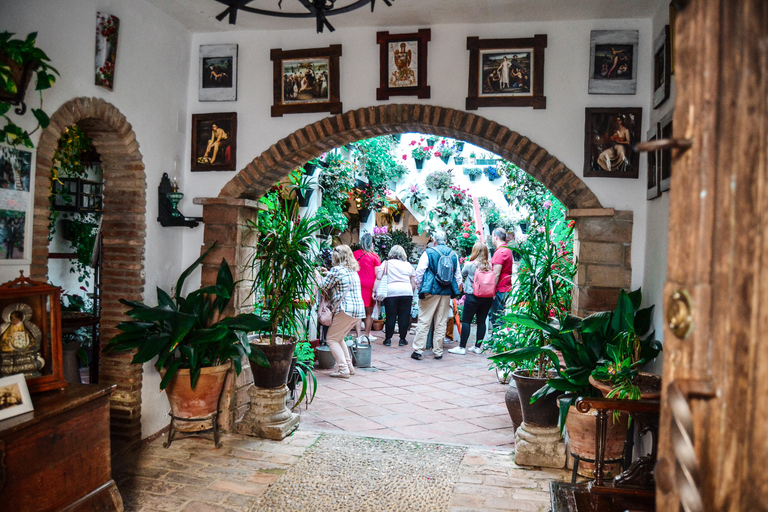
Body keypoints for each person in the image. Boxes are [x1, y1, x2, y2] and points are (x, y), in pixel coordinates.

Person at [411, 231, 461, 360]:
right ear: (446, 240)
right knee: (441, 321)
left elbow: (419, 272)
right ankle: (438, 351)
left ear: (435, 241)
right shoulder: (453, 254)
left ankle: (418, 350)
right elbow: (458, 276)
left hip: (430, 291)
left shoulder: (429, 252)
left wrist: (419, 286)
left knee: (424, 320)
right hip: (445, 292)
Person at [319, 245, 366, 378]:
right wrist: (329, 274)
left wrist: (319, 275)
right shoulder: (352, 271)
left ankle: (343, 369)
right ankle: (349, 366)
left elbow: (323, 286)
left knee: (331, 339)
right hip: (357, 311)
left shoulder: (336, 270)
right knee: (339, 338)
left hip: (345, 309)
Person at [449, 241, 494, 355]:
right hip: (487, 297)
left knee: (466, 321)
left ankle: (462, 347)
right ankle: (477, 347)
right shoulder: (490, 265)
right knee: (481, 321)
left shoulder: (470, 265)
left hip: (473, 296)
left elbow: (462, 274)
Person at [372, 245, 415, 347]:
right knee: (404, 316)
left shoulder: (386, 263)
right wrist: (412, 292)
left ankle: (388, 339)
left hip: (390, 292)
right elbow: (413, 281)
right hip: (406, 291)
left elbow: (378, 277)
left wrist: (374, 291)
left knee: (390, 315)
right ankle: (402, 339)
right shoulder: (408, 265)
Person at [353, 233, 381, 342]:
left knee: (357, 312)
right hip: (370, 285)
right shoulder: (374, 256)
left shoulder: (354, 254)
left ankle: (358, 335)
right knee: (368, 312)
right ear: (371, 244)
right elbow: (377, 274)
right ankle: (367, 335)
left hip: (356, 284)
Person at [489, 227, 515, 332]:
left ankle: (498, 341)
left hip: (499, 289)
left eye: (492, 236)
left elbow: (496, 273)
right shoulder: (507, 250)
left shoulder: (500, 252)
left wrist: (492, 291)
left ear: (496, 236)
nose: (491, 239)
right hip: (506, 288)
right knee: (500, 317)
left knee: (497, 318)